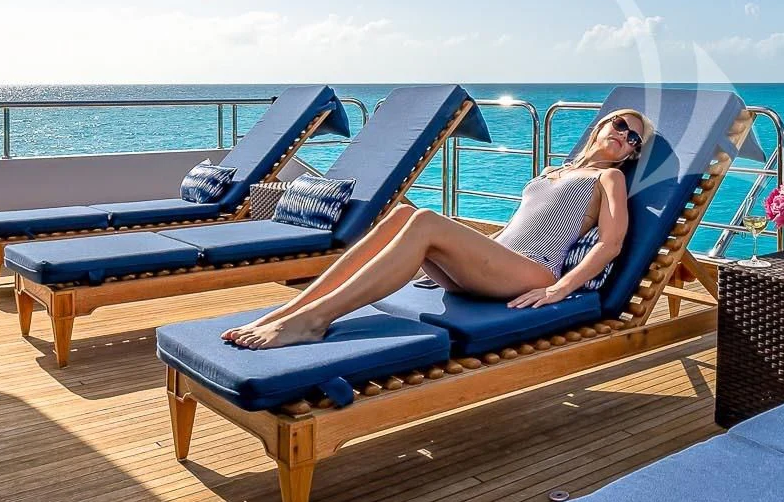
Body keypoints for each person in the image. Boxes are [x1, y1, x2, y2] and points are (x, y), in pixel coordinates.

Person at [221, 109, 648, 349]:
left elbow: (610, 245)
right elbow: (520, 226)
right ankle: (290, 311)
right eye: (621, 126)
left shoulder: (610, 179)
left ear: (630, 155)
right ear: (600, 126)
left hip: (533, 270)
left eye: (634, 141)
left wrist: (559, 290)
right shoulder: (553, 170)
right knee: (403, 217)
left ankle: (314, 320)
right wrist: (464, 254)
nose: (625, 137)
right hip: (496, 265)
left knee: (423, 218)